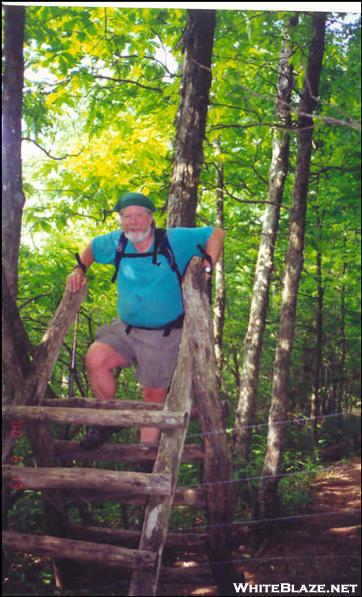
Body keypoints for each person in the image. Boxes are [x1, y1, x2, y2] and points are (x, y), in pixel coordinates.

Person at [67, 191, 224, 451]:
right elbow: (92, 248)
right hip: (125, 329)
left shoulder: (173, 240)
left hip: (163, 334)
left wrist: (208, 263)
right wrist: (79, 268)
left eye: (139, 215)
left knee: (153, 396)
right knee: (95, 359)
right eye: (127, 216)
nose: (133, 222)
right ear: (120, 220)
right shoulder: (117, 243)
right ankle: (108, 420)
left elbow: (216, 233)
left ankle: (145, 454)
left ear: (151, 218)